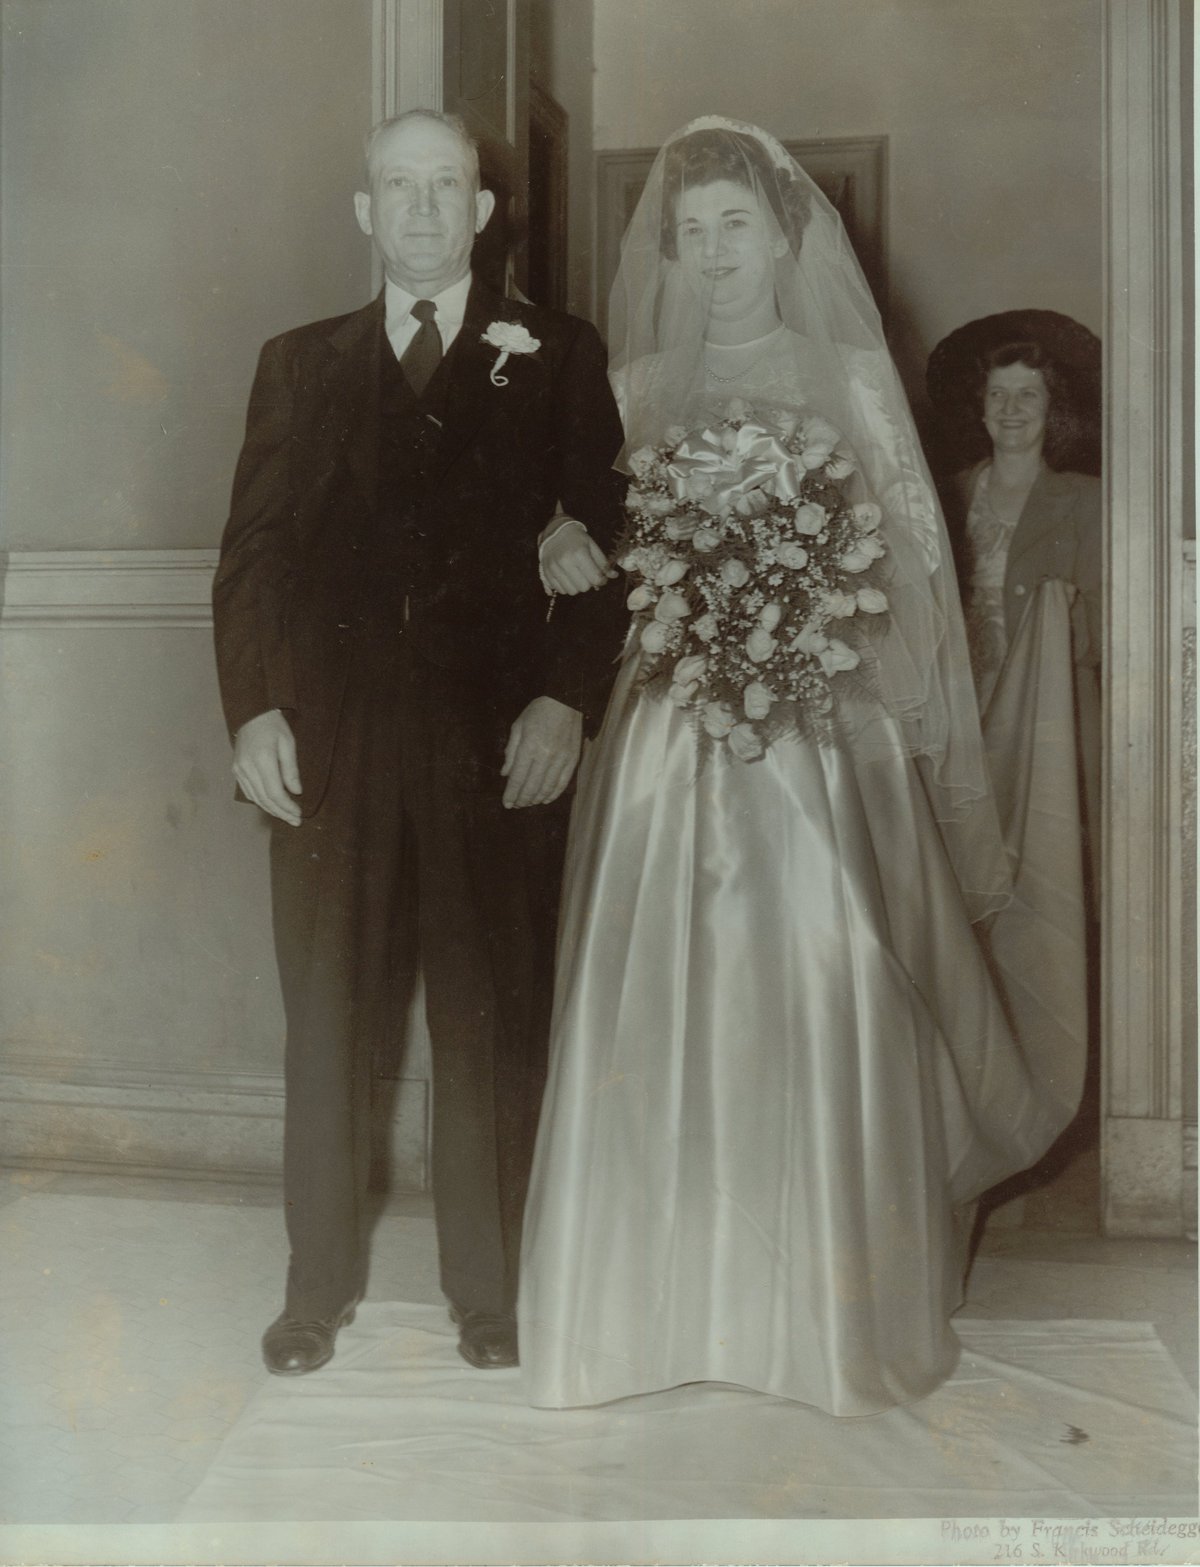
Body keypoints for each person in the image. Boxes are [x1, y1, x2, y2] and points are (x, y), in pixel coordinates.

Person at [517, 118, 1083, 1417]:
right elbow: (582, 527)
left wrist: (810, 638)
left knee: (824, 988)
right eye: (694, 232)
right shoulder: (638, 386)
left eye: (738, 228)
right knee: (661, 998)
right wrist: (564, 534)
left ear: (784, 236)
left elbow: (911, 571)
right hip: (669, 735)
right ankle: (651, 1297)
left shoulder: (849, 376)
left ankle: (815, 1309)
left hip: (820, 731)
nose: (716, 254)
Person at [212, 109, 625, 1377]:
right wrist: (254, 712)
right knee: (328, 1024)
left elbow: (607, 535)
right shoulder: (298, 361)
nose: (426, 209)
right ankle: (315, 1289)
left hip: (497, 752)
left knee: (491, 1026)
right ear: (365, 210)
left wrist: (566, 699)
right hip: (329, 753)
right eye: (401, 187)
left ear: (483, 209)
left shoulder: (556, 352)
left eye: (448, 186)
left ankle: (489, 1294)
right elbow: (256, 558)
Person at [927, 313, 1101, 892]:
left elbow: (1109, 625)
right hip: (956, 709)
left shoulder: (1085, 501)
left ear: (1053, 410)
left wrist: (1066, 617)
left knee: (1037, 876)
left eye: (1029, 395)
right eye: (998, 395)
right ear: (979, 409)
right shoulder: (944, 495)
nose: (1011, 409)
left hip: (1046, 717)